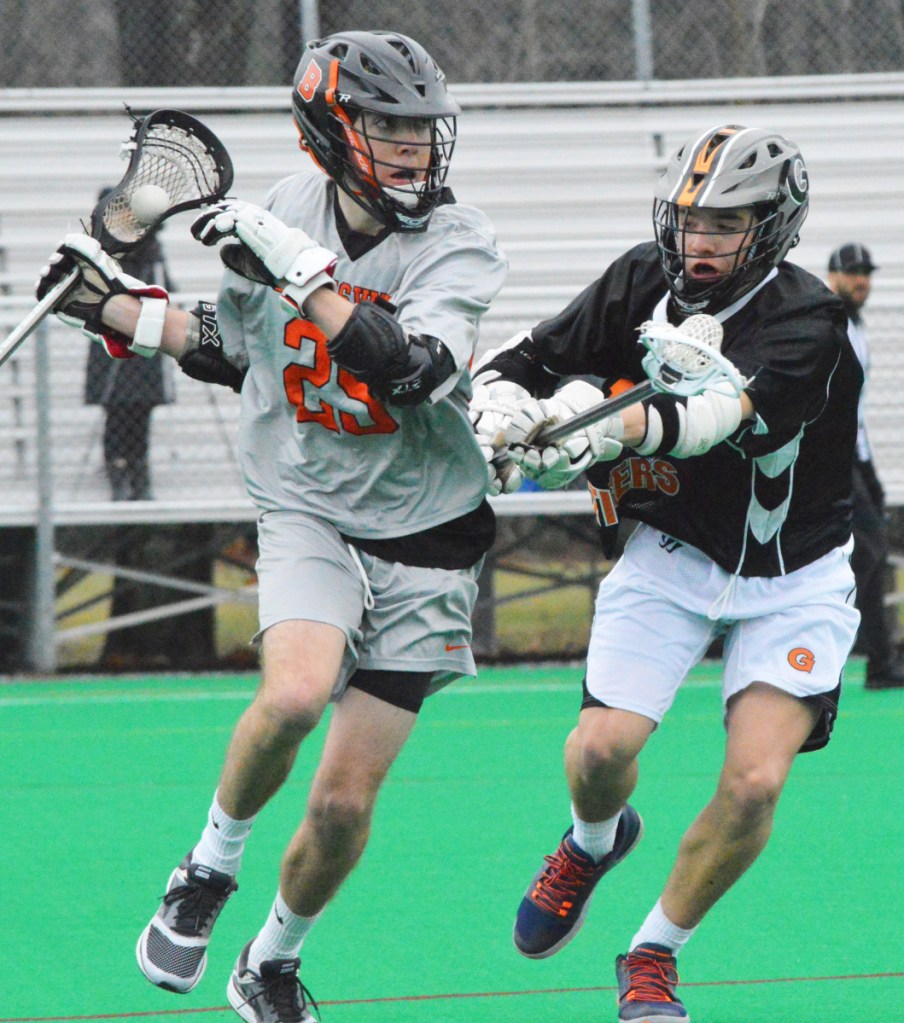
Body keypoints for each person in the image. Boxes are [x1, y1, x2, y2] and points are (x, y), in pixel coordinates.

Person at [36, 30, 506, 1023]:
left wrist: (300, 269)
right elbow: (230, 349)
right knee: (294, 694)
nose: (414, 146)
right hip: (309, 501)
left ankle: (272, 962)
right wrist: (113, 310)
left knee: (341, 806)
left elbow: (414, 368)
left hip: (427, 533)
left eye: (422, 126)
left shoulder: (461, 243)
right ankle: (206, 869)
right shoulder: (281, 214)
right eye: (386, 125)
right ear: (331, 134)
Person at [468, 124, 861, 1023]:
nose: (699, 242)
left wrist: (610, 425)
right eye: (689, 220)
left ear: (773, 225)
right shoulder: (642, 278)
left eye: (725, 224)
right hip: (674, 552)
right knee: (602, 752)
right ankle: (593, 840)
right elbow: (527, 356)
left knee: (757, 780)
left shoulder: (808, 317)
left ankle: (652, 954)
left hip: (795, 574)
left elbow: (715, 413)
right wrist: (500, 407)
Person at [827, 243, 904, 689]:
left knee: (869, 553)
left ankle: (879, 660)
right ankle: (854, 655)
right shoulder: (830, 322)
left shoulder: (858, 327)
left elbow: (855, 409)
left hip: (853, 454)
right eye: (854, 273)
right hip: (831, 455)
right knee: (866, 552)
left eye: (867, 274)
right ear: (834, 274)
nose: (863, 282)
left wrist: (869, 467)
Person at [85, 188, 175, 500]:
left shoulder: (152, 252)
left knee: (142, 410)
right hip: (111, 343)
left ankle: (139, 471)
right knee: (116, 410)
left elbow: (167, 292)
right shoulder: (103, 252)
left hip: (145, 346)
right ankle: (117, 472)